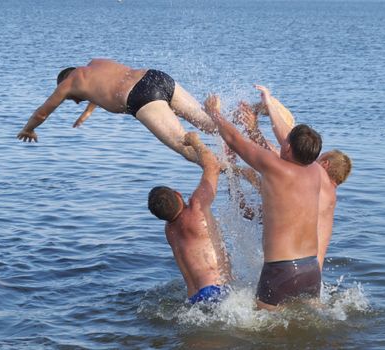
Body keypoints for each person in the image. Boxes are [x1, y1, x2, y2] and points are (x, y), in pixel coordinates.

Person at [204, 89, 323, 311]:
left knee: (266, 331)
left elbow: (233, 139)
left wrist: (214, 113)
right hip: (311, 270)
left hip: (281, 270)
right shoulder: (315, 170)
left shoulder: (275, 167)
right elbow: (276, 149)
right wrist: (256, 126)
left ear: (287, 147)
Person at [230, 97, 352, 271]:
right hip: (311, 273)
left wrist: (257, 122)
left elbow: (281, 149)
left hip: (289, 268)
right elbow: (251, 212)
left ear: (325, 165)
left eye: (318, 158)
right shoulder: (325, 197)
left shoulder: (317, 178)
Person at [17, 58, 216, 164]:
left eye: (70, 98)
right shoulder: (96, 64)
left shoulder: (68, 83)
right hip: (154, 76)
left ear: (65, 81)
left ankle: (238, 172)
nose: (75, 102)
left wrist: (28, 129)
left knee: (188, 150)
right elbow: (103, 89)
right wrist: (87, 113)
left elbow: (42, 113)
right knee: (211, 124)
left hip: (141, 97)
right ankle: (245, 123)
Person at [147, 132, 231, 304]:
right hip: (216, 291)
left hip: (193, 298)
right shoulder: (196, 209)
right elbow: (212, 166)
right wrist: (195, 141)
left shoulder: (170, 231)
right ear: (178, 194)